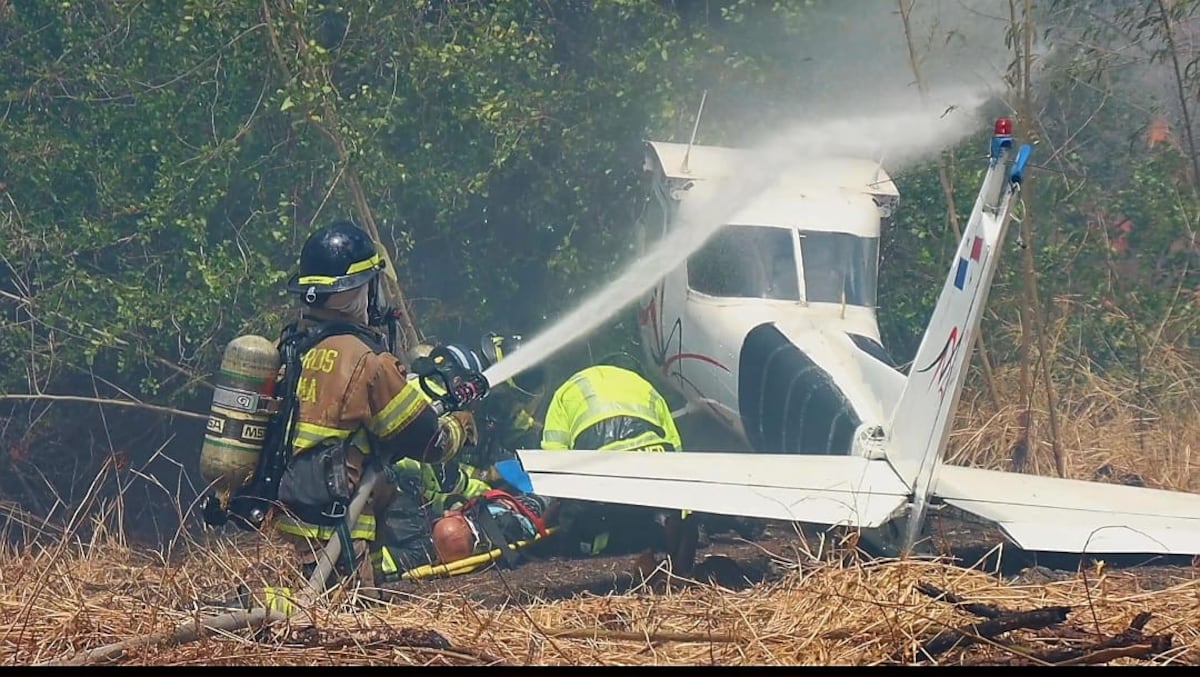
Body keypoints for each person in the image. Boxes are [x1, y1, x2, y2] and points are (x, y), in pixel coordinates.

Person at [270, 220, 479, 590]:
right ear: (357, 291)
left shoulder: (292, 346)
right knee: (344, 617)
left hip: (291, 514)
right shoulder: (367, 361)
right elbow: (430, 443)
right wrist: (460, 422)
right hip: (336, 527)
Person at [371, 333, 549, 579]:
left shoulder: (420, 389)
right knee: (429, 547)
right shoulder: (438, 410)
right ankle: (375, 569)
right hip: (397, 492)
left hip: (381, 486)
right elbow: (445, 482)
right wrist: (485, 490)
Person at [540, 362, 697, 573]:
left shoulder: (566, 392)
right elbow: (675, 447)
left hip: (601, 469)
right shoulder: (644, 385)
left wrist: (558, 510)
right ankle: (668, 547)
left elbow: (554, 457)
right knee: (660, 512)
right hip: (652, 460)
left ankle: (587, 544)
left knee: (575, 519)